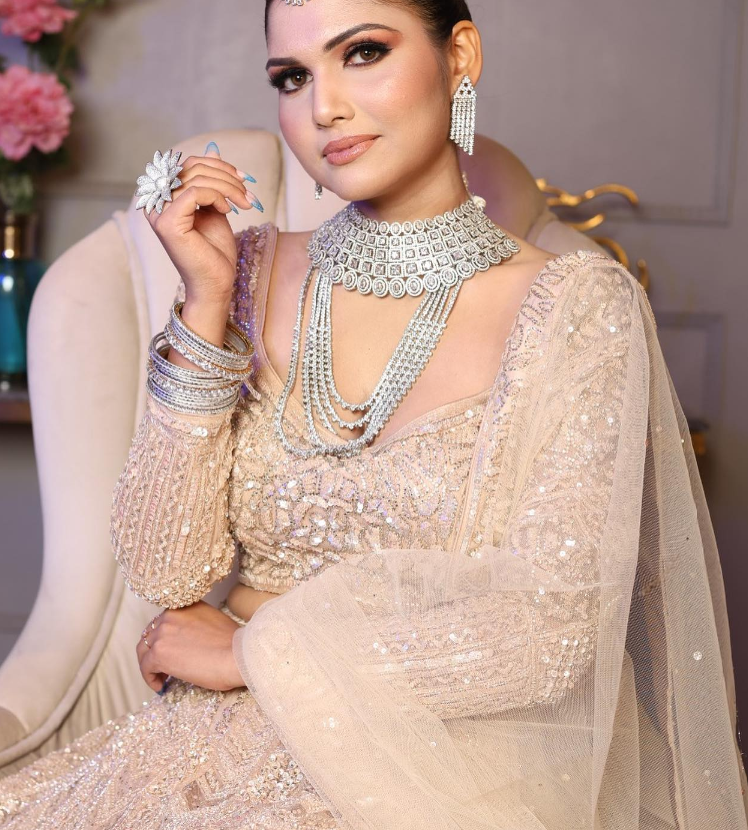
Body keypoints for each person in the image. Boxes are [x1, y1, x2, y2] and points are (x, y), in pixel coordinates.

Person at [1, 0, 746, 827]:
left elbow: (553, 634)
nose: (323, 107)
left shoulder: (577, 307)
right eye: (293, 77)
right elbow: (165, 575)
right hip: (201, 750)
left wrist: (251, 654)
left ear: (460, 56)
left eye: (362, 53)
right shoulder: (243, 273)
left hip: (433, 769)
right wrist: (204, 310)